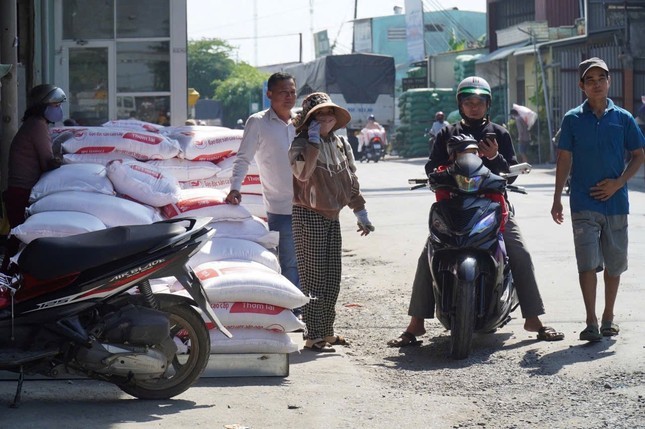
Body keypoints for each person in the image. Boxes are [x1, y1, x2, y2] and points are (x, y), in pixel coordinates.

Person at [387, 76, 564, 348]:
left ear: (487, 104)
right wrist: (444, 167)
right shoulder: (447, 133)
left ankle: (533, 319)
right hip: (453, 207)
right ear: (460, 104)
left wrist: (494, 158)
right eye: (468, 102)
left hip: (492, 206)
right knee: (428, 254)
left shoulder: (500, 133)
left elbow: (511, 173)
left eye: (479, 102)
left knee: (520, 252)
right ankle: (415, 324)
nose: (473, 107)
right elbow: (430, 168)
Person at [551, 57, 645, 342]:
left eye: (600, 79)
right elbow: (564, 158)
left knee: (614, 264)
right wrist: (556, 198)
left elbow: (639, 154)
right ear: (582, 86)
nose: (596, 84)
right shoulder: (572, 119)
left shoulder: (623, 118)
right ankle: (590, 320)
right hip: (583, 202)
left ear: (609, 82)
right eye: (589, 80)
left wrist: (618, 183)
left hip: (616, 204)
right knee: (587, 262)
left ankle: (608, 318)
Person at [289, 92, 374, 352]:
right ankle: (313, 335)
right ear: (310, 119)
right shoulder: (300, 144)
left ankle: (327, 331)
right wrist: (312, 141)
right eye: (319, 115)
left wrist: (360, 212)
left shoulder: (340, 144)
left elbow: (350, 180)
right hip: (308, 214)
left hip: (332, 215)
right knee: (313, 277)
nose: (326, 118)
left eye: (329, 114)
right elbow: (302, 174)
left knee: (332, 278)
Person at [225, 72, 301, 295]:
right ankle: (292, 307)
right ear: (269, 94)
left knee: (310, 261)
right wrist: (235, 187)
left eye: (293, 92)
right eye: (283, 92)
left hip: (310, 205)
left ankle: (308, 307)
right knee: (288, 262)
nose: (289, 97)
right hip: (281, 206)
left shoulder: (303, 122)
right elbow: (243, 158)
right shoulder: (258, 122)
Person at [1, 84, 67, 273]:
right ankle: (8, 282)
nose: (58, 109)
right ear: (42, 106)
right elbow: (47, 163)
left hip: (19, 191)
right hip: (22, 193)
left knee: (17, 240)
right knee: (19, 240)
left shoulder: (34, 124)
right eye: (55, 105)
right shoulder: (37, 125)